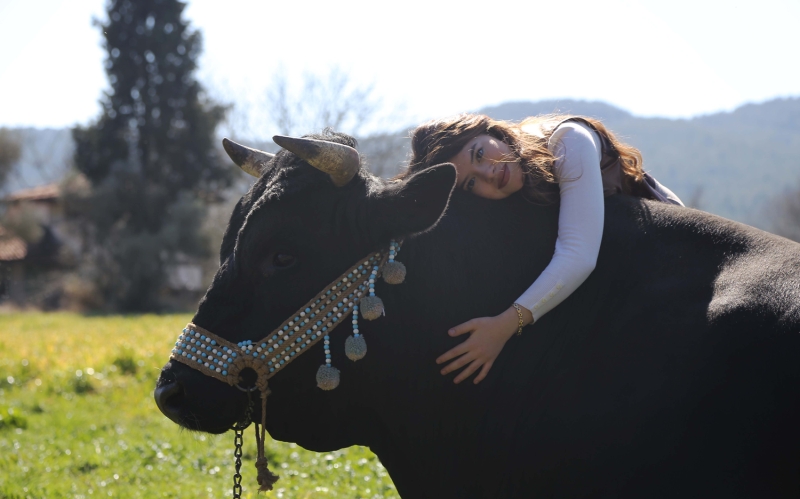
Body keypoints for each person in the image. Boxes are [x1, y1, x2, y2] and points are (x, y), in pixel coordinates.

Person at [399, 113, 683, 385]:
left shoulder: (568, 141)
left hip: (675, 264)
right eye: (471, 182)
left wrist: (504, 327)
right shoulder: (499, 200)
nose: (488, 173)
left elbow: (578, 255)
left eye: (479, 153)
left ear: (490, 131)